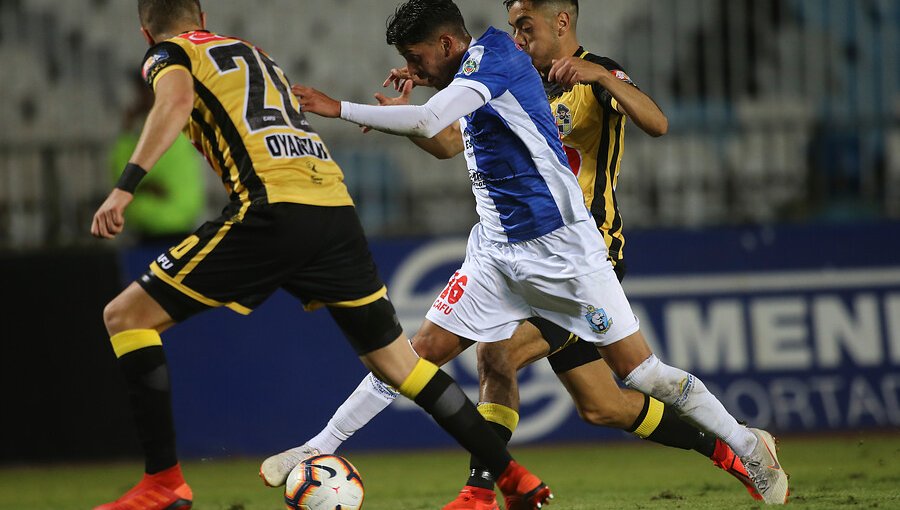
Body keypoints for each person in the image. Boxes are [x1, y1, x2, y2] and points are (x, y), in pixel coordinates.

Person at [263, 0, 765, 507]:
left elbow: (431, 118)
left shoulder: (502, 58)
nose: (518, 35)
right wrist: (405, 111)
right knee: (421, 355)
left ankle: (742, 445)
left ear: (445, 45)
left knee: (637, 376)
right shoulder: (479, 75)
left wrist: (338, 107)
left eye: (417, 59)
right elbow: (439, 137)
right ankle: (317, 449)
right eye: (514, 25)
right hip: (496, 253)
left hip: (565, 252)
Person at [89, 1, 551, 509]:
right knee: (402, 364)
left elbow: (174, 105)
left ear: (145, 32)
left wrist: (125, 188)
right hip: (333, 207)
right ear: (200, 19)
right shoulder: (253, 53)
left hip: (271, 209)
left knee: (125, 316)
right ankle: (512, 476)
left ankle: (163, 482)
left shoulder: (169, 55)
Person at [108, 72, 205, 245]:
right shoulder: (147, 133)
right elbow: (122, 177)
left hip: (169, 227)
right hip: (152, 229)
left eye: (145, 91)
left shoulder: (175, 129)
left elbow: (126, 177)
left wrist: (140, 186)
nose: (140, 98)